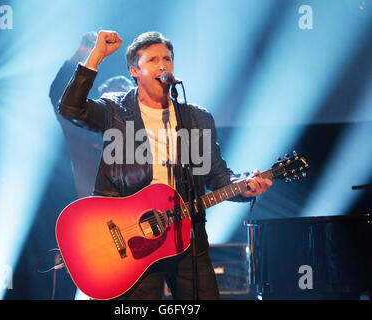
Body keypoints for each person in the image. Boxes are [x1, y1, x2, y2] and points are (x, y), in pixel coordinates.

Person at [58, 30, 272, 299]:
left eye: (167, 59)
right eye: (153, 60)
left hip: (187, 242)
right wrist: (96, 56)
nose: (163, 66)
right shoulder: (115, 110)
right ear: (134, 71)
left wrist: (243, 186)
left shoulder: (196, 118)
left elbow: (218, 177)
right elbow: (70, 109)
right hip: (131, 242)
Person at [49, 32, 133, 197]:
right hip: (93, 215)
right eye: (110, 98)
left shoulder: (139, 137)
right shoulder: (82, 133)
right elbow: (60, 95)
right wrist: (81, 54)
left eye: (121, 98)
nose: (115, 103)